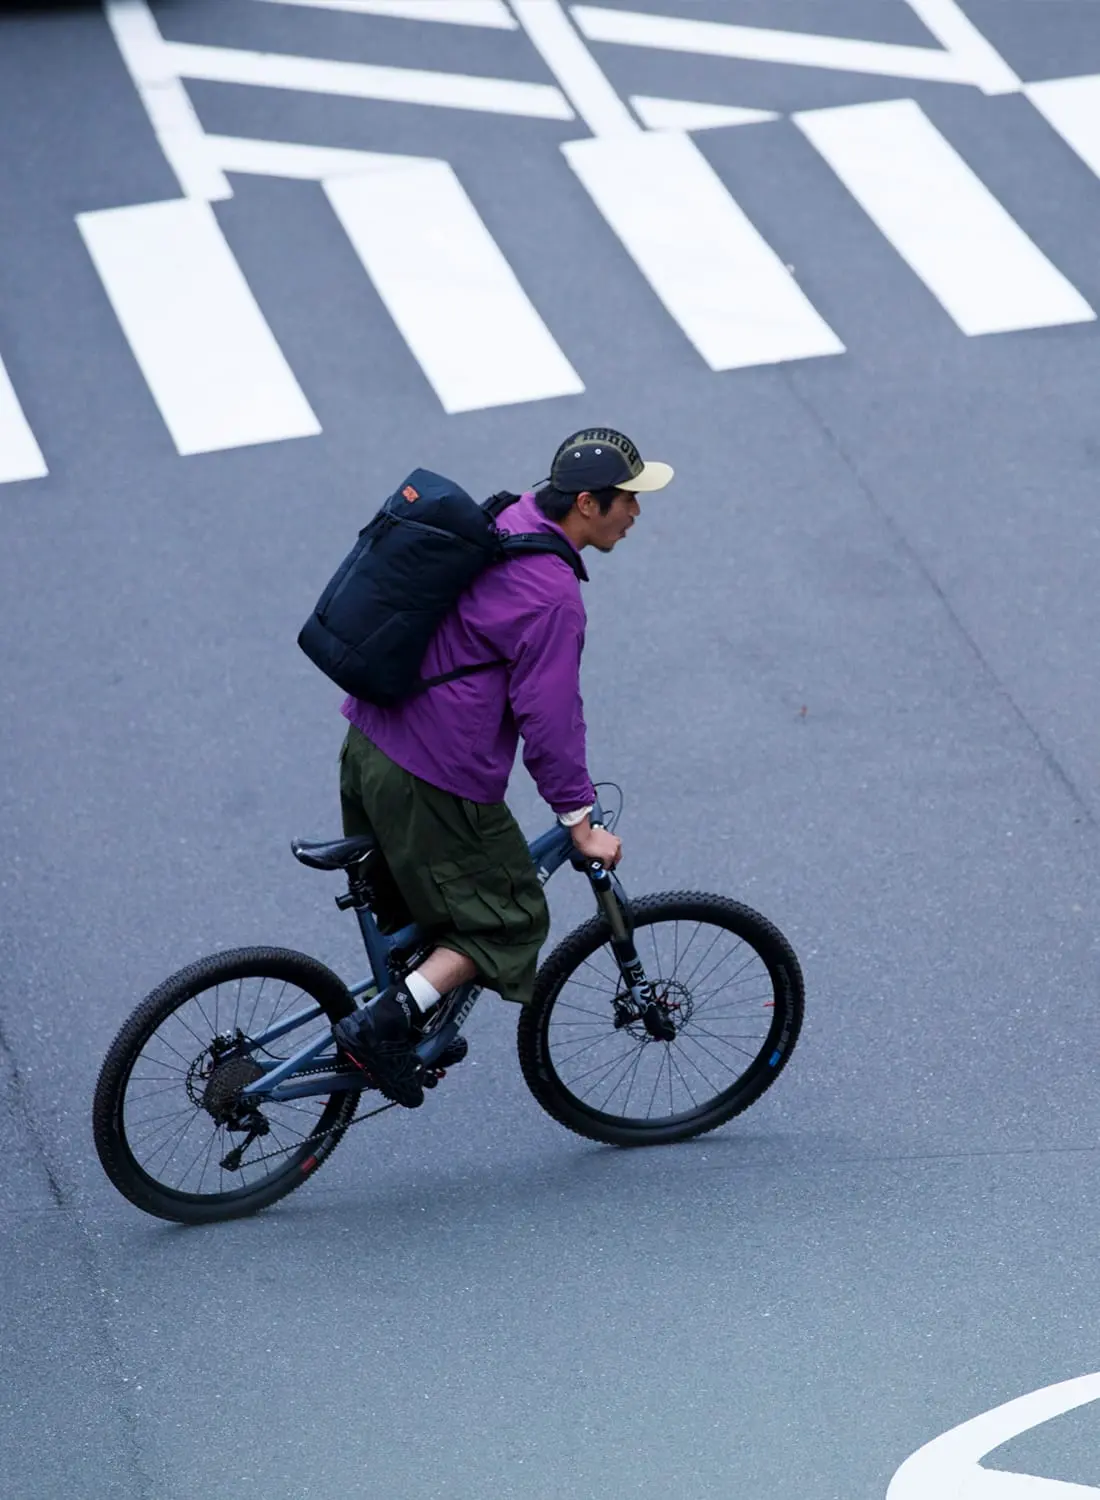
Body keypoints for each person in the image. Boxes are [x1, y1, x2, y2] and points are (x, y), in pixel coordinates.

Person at [332, 427, 674, 1106]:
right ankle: (382, 1026)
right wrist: (578, 820)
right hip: (430, 775)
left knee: (433, 907)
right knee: (508, 918)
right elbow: (549, 720)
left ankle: (416, 1012)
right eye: (627, 499)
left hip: (369, 741)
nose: (637, 512)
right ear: (587, 503)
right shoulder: (552, 595)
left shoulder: (511, 515)